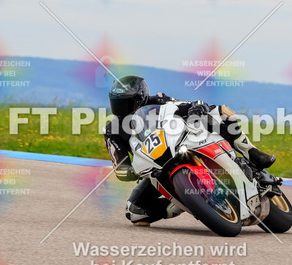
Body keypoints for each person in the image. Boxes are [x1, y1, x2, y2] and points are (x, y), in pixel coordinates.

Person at [103, 75, 276, 226]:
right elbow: (119, 163)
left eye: (125, 103)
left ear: (140, 98)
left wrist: (196, 107)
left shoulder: (158, 101)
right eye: (117, 103)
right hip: (156, 169)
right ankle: (185, 203)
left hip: (182, 143)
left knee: (219, 112)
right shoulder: (112, 130)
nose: (121, 109)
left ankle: (252, 153)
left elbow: (184, 105)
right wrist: (127, 171)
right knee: (134, 211)